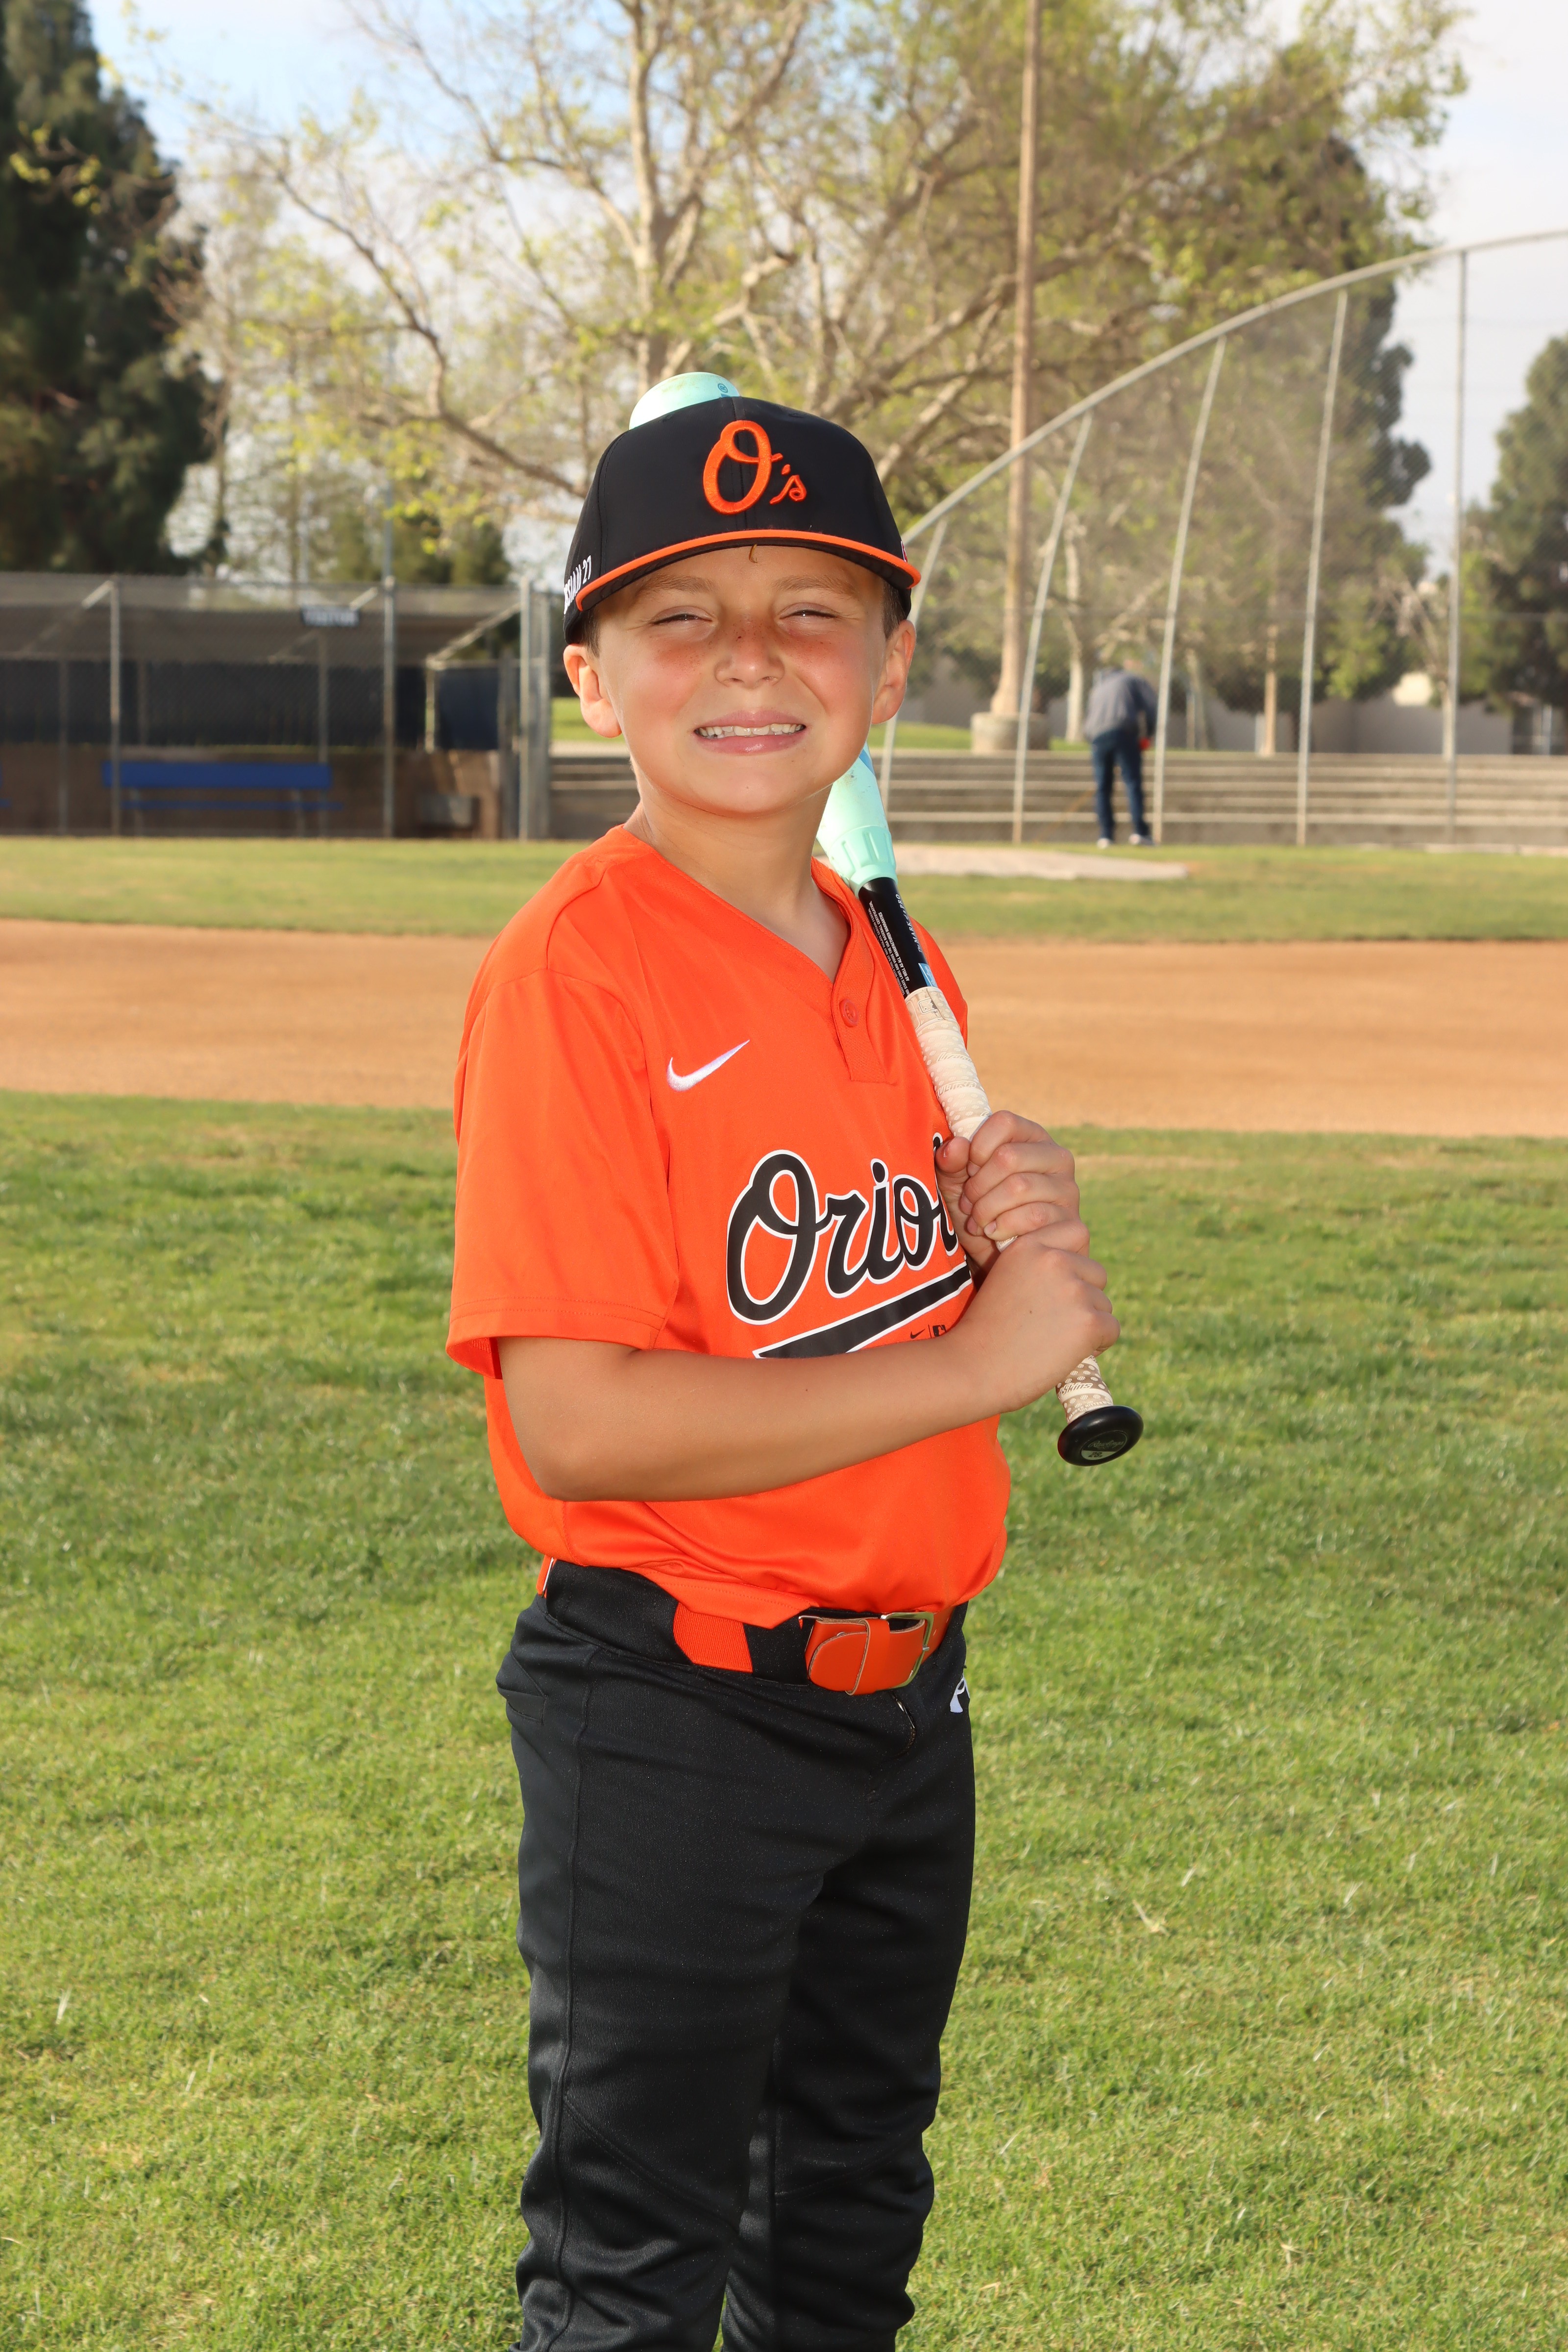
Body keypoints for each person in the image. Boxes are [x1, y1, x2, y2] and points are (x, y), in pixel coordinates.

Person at [446, 386, 1120, 2352]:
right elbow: (579, 1417)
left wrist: (990, 1230)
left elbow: (854, 1295)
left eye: (811, 611)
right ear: (592, 679)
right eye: (681, 616)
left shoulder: (889, 954)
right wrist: (981, 1364)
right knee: (632, 2265)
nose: (750, 657)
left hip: (907, 1701)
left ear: (888, 670)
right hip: (675, 1703)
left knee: (842, 2232)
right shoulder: (574, 973)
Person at [1083, 661, 1158, 845]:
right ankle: (1140, 833)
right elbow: (1150, 705)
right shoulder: (1132, 680)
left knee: (1103, 787)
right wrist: (1149, 733)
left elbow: (1088, 719)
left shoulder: (1098, 688)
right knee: (1132, 782)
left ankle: (1106, 836)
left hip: (1097, 737)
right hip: (1123, 731)